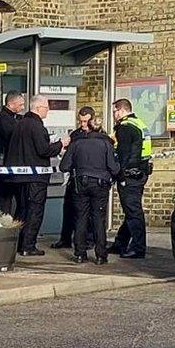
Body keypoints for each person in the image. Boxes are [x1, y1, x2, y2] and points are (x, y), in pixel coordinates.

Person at [6, 95, 70, 257]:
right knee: (35, 210)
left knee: (22, 210)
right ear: (37, 108)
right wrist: (60, 144)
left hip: (20, 178)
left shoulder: (20, 124)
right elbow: (43, 150)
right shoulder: (36, 126)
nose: (48, 111)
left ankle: (19, 243)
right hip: (35, 178)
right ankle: (28, 245)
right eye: (46, 108)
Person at [60, 111, 120, 264]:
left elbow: (64, 166)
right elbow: (114, 168)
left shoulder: (77, 143)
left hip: (80, 184)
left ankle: (80, 254)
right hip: (100, 185)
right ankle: (101, 255)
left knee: (80, 217)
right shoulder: (106, 144)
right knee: (99, 220)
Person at [111, 98, 152, 259]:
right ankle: (120, 243)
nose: (114, 114)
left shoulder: (125, 127)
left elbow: (123, 155)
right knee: (131, 211)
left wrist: (119, 176)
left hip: (129, 175)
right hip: (140, 173)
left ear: (121, 110)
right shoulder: (139, 123)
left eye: (114, 111)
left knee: (134, 212)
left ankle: (138, 247)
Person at [51, 107, 97, 250]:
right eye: (81, 121)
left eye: (86, 121)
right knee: (69, 208)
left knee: (89, 211)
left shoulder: (98, 135)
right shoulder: (75, 135)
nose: (83, 124)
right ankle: (65, 239)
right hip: (74, 176)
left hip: (91, 177)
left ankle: (88, 239)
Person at [0, 91, 24, 216]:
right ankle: (6, 228)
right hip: (4, 164)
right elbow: (13, 137)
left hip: (10, 164)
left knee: (17, 200)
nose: (22, 108)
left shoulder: (14, 118)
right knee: (5, 200)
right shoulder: (3, 119)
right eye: (20, 105)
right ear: (10, 104)